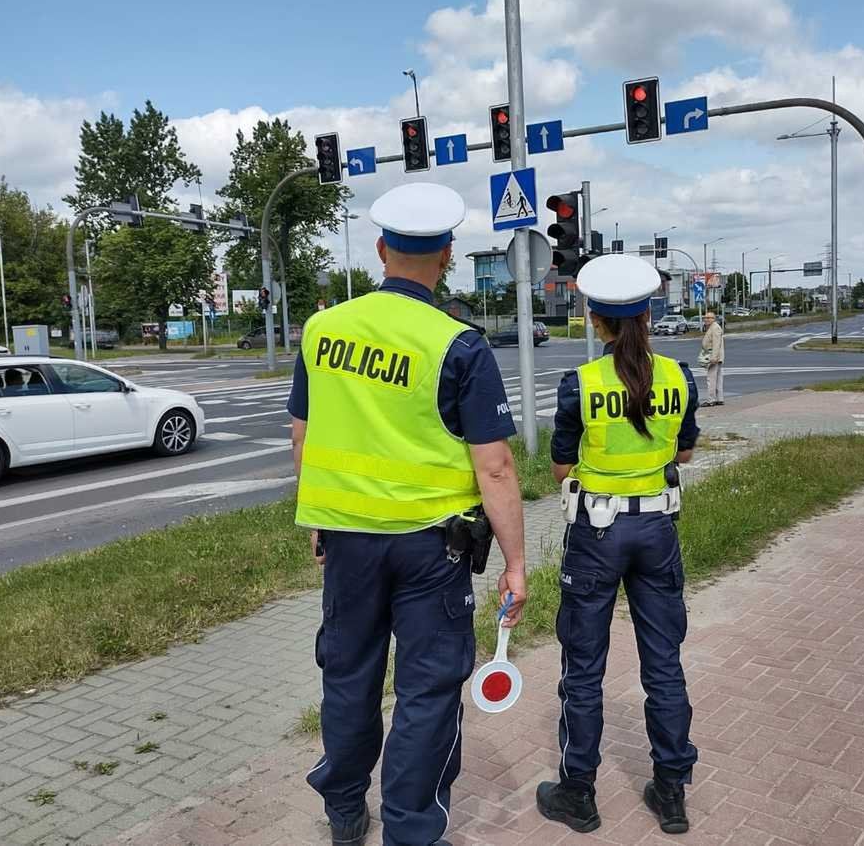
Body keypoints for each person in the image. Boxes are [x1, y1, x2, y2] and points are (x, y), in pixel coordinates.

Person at [288, 182, 528, 846]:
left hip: (348, 545)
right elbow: (495, 467)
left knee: (348, 675)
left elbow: (304, 437)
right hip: (432, 551)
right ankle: (411, 830)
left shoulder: (323, 329)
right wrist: (515, 562)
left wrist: (321, 516)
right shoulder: (458, 344)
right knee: (426, 692)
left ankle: (342, 807)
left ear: (379, 250)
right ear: (446, 256)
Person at [537, 254, 699, 836]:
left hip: (596, 534)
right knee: (664, 663)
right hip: (658, 532)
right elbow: (682, 453)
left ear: (595, 321)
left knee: (583, 668)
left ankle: (578, 792)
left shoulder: (579, 385)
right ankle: (672, 790)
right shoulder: (679, 376)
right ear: (649, 314)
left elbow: (560, 467)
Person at [698, 310, 724, 407]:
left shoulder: (715, 328)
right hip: (716, 356)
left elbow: (716, 344)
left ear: (714, 319)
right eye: (705, 317)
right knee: (718, 378)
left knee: (711, 379)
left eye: (709, 318)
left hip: (714, 357)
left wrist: (713, 357)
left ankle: (711, 400)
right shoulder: (712, 327)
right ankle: (719, 399)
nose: (706, 319)